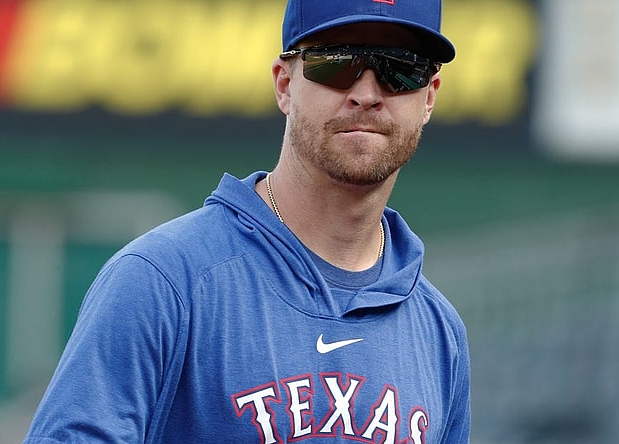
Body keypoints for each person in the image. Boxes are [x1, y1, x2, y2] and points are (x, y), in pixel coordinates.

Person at [23, 0, 470, 442]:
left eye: (401, 69)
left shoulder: (439, 332)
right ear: (284, 84)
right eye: (336, 63)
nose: (367, 94)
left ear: (429, 96)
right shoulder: (162, 280)